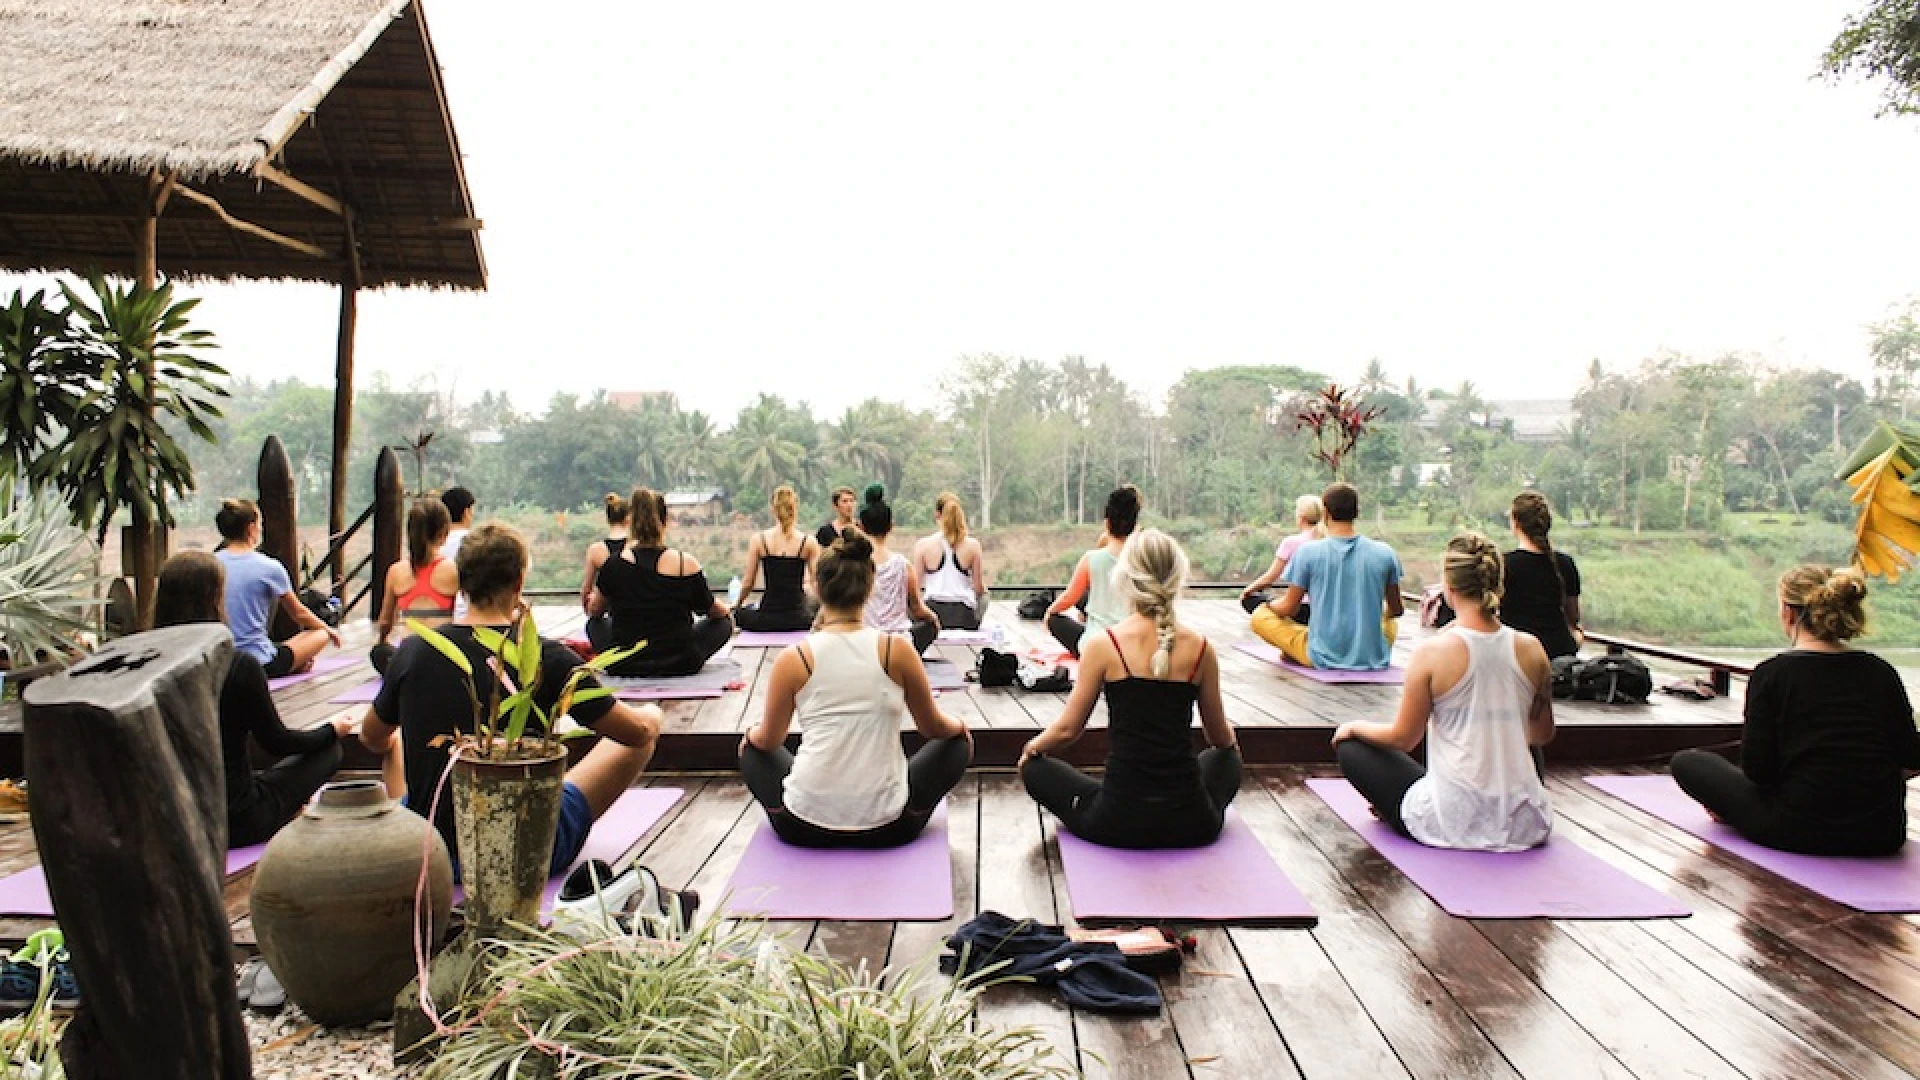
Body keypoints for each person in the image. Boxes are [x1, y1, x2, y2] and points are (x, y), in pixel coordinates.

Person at [360, 524, 664, 874]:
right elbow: (634, 734)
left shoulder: (414, 650)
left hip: (433, 851)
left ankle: (413, 827)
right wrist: (651, 716)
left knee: (392, 739)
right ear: (519, 582)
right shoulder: (546, 657)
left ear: (461, 583)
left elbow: (371, 737)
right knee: (647, 723)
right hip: (525, 852)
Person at [739, 530, 973, 848]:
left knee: (752, 748)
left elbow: (768, 740)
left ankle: (816, 797)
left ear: (817, 588)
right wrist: (960, 725)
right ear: (870, 587)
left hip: (802, 826)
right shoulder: (897, 651)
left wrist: (752, 733)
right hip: (890, 827)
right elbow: (933, 728)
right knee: (957, 743)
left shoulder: (793, 659)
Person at [1670, 566, 1920, 856]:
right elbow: (1912, 755)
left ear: (1788, 613)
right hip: (1881, 832)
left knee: (1688, 762)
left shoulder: (1772, 674)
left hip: (1797, 830)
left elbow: (1759, 772)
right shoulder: (1880, 672)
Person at [1332, 532, 1555, 851]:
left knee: (1352, 747)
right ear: (1497, 585)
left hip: (1451, 821)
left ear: (1449, 589)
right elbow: (1541, 734)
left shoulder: (1433, 653)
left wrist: (1352, 727)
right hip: (1526, 823)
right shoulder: (1532, 648)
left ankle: (1402, 803)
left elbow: (1404, 738)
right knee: (1513, 737)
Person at [1019, 530, 1241, 849]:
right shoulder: (1201, 648)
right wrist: (1230, 746)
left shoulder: (1103, 645)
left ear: (1124, 579)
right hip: (1192, 822)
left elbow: (1068, 730)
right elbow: (1220, 738)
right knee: (1226, 759)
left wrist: (1031, 750)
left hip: (1117, 820)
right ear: (1177, 578)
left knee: (1036, 771)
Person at [155, 553, 382, 847]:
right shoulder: (236, 666)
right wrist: (331, 730)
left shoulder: (148, 669)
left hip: (172, 821)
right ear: (214, 600)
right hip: (235, 820)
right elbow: (278, 742)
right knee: (329, 752)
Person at [1250, 482, 1403, 671]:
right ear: (1357, 513)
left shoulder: (1308, 552)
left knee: (1260, 616)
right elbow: (1396, 609)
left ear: (1326, 513)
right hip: (1372, 655)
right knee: (1389, 621)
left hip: (1321, 655)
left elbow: (1288, 608)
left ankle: (1297, 647)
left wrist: (1268, 604)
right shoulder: (1385, 553)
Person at [590, 488, 734, 676]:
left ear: (630, 522)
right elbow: (714, 611)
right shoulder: (686, 564)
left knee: (594, 624)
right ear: (665, 521)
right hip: (680, 661)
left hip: (625, 663)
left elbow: (595, 611)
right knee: (724, 623)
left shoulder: (614, 564)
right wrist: (727, 609)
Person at [213, 499, 339, 678]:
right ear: (251, 529)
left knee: (281, 644)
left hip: (220, 662)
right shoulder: (269, 567)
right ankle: (296, 663)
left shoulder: (210, 564)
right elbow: (299, 613)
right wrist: (329, 630)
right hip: (260, 663)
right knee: (319, 634)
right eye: (260, 524)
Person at [1045, 485, 1141, 658]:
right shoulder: (1145, 557)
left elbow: (1069, 598)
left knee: (1055, 620)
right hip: (1133, 645)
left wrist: (1049, 612)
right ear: (1135, 524)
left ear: (1107, 522)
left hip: (1096, 649)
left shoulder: (1092, 558)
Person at [370, 498, 459, 674]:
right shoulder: (453, 570)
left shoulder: (396, 571)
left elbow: (385, 622)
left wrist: (382, 641)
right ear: (444, 532)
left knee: (379, 653)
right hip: (444, 655)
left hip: (409, 657)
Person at [857, 485, 940, 655]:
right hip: (898, 644)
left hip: (862, 641)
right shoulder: (902, 564)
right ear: (891, 526)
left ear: (861, 527)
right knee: (928, 626)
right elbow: (917, 609)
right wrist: (934, 618)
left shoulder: (853, 563)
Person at [1501, 491, 1582, 659]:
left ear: (1515, 524)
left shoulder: (1504, 564)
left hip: (1518, 655)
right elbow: (1573, 617)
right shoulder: (1565, 563)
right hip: (1560, 653)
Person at [735, 485, 821, 633]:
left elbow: (748, 583)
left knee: (741, 614)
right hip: (798, 617)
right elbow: (817, 583)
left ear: (772, 509)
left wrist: (737, 605)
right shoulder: (808, 542)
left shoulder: (759, 540)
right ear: (795, 508)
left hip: (768, 616)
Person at [1239, 494, 1326, 620]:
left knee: (1250, 599)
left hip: (1301, 610)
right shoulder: (1329, 541)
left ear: (1300, 517)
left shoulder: (1291, 542)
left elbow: (1270, 578)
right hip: (1325, 609)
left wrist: (1247, 591)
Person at [915, 492, 989, 631]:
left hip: (933, 614)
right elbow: (978, 588)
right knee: (985, 595)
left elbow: (916, 587)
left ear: (937, 514)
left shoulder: (923, 545)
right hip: (964, 615)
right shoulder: (973, 545)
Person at [580, 493, 631, 651]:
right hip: (640, 616)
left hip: (612, 616)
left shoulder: (596, 550)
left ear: (608, 519)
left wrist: (590, 609)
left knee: (593, 625)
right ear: (628, 518)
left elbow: (586, 590)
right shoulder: (637, 546)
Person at [440, 486, 477, 621]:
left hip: (441, 614)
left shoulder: (434, 544)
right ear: (466, 512)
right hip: (469, 615)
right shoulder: (477, 542)